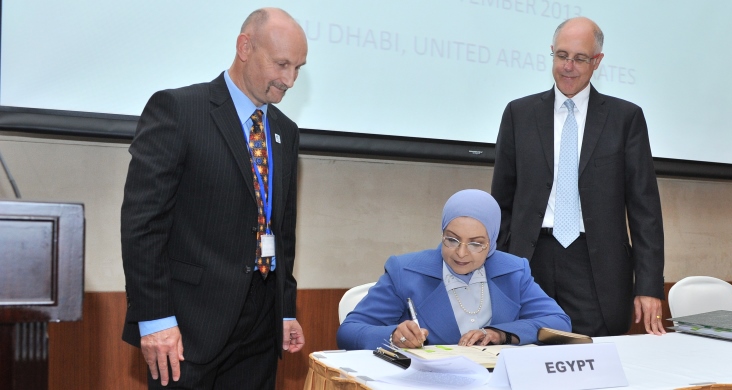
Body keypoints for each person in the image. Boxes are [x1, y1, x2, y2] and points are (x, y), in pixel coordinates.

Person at [120, 8, 307, 389]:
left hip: (260, 327)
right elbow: (143, 225)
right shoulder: (179, 110)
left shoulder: (285, 131)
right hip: (187, 328)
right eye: (282, 64)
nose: (289, 80)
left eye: (298, 68)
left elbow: (280, 230)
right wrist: (155, 320)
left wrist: (285, 310)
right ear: (244, 47)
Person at [490, 17, 666, 337]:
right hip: (530, 261)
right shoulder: (519, 115)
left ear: (597, 61)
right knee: (525, 354)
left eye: (580, 58)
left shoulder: (625, 119)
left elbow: (645, 211)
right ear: (552, 54)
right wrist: (502, 267)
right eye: (561, 56)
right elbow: (501, 201)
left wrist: (649, 285)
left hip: (596, 267)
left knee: (596, 363)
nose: (568, 66)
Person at [337, 189, 571, 350]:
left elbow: (559, 322)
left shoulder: (513, 270)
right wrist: (392, 336)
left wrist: (500, 334)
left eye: (476, 243)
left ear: (492, 241)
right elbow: (349, 331)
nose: (461, 253)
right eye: (452, 239)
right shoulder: (405, 271)